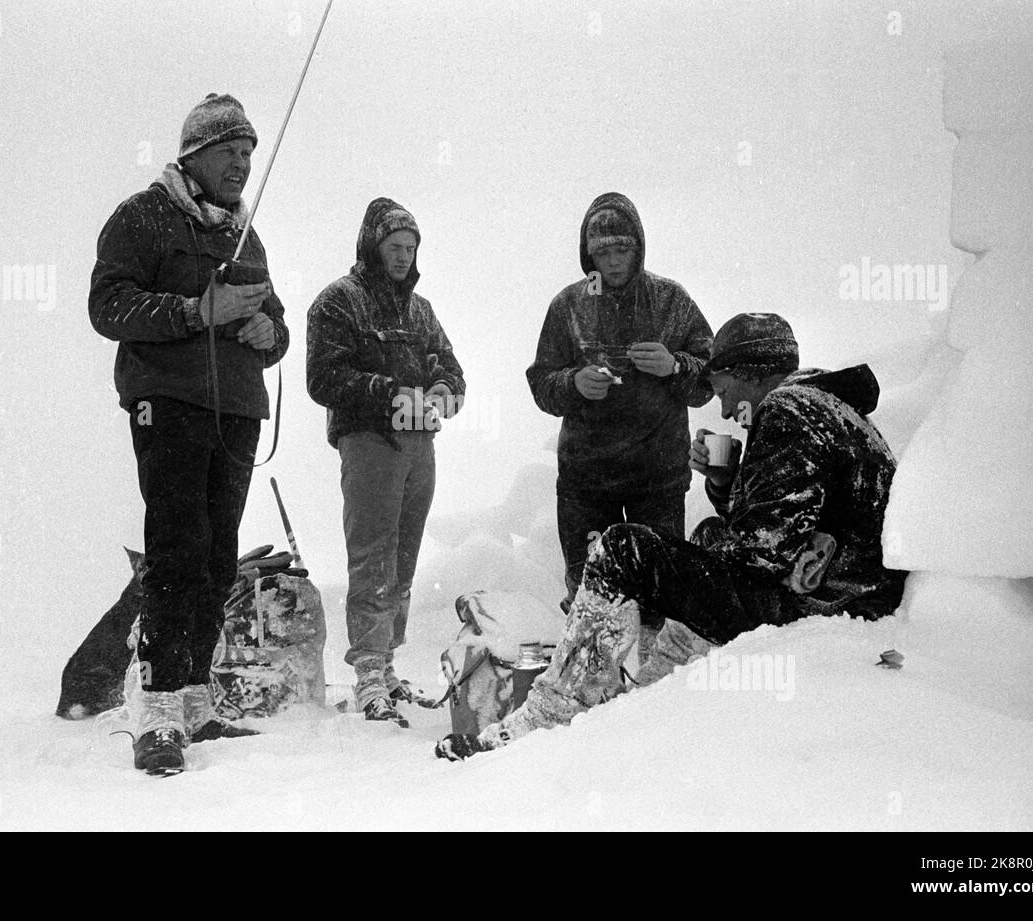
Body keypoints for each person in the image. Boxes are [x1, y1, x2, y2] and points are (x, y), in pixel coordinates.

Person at [438, 313, 907, 760]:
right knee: (707, 535)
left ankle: (547, 715)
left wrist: (664, 568)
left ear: (752, 373)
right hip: (846, 591)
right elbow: (790, 525)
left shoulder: (786, 407)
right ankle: (658, 691)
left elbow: (764, 552)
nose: (725, 409)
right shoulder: (828, 407)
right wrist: (728, 484)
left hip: (823, 604)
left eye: (723, 390)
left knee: (622, 550)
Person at [89, 93, 289, 774]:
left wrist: (271, 334)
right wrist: (192, 310)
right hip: (166, 401)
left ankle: (196, 696)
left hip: (236, 408)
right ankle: (157, 701)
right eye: (232, 152)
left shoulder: (244, 234)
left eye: (249, 155)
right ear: (196, 153)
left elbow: (277, 321)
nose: (243, 165)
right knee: (177, 545)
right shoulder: (142, 216)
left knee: (218, 555)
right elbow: (107, 304)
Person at [307, 198, 466, 724]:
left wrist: (443, 389)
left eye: (411, 248)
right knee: (373, 552)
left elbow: (452, 367)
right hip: (370, 442)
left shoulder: (420, 311)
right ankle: (369, 670)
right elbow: (323, 378)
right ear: (372, 246)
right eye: (394, 247)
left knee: (404, 554)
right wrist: (387, 392)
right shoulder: (338, 302)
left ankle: (388, 662)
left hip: (421, 444)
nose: (403, 257)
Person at [527, 192, 714, 610]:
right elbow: (541, 382)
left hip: (658, 477)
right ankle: (592, 670)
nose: (612, 261)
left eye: (622, 250)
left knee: (659, 593)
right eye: (603, 252)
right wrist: (573, 383)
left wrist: (675, 366)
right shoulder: (568, 306)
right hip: (586, 481)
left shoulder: (671, 301)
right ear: (588, 254)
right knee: (591, 596)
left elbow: (711, 377)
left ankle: (656, 674)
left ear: (638, 249)